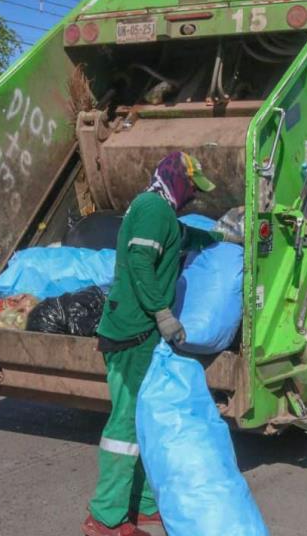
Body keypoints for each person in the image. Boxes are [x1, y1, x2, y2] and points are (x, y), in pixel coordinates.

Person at [82, 151, 234, 536]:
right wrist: (164, 314)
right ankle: (105, 517)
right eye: (192, 189)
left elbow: (183, 236)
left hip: (142, 333)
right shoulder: (152, 209)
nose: (194, 197)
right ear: (177, 180)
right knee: (126, 425)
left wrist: (221, 236)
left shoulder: (163, 211)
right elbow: (138, 264)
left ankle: (146, 506)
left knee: (147, 420)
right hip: (132, 333)